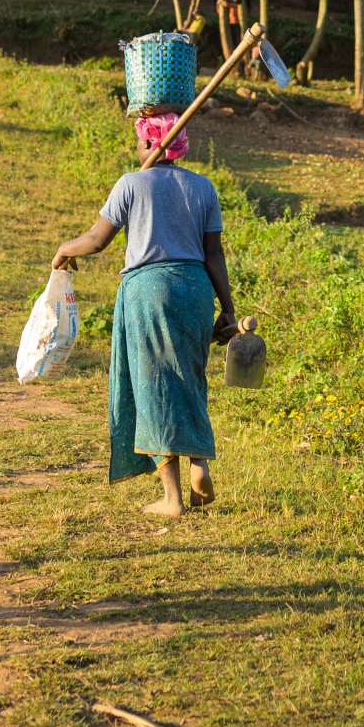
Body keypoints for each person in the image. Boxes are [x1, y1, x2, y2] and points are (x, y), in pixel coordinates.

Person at [54, 111, 236, 516]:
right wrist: (228, 308)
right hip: (194, 288)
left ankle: (171, 497)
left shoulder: (131, 185)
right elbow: (214, 254)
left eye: (140, 143)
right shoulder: (203, 188)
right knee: (189, 377)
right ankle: (200, 463)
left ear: (150, 146)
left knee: (153, 386)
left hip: (148, 290)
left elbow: (97, 240)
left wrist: (65, 248)